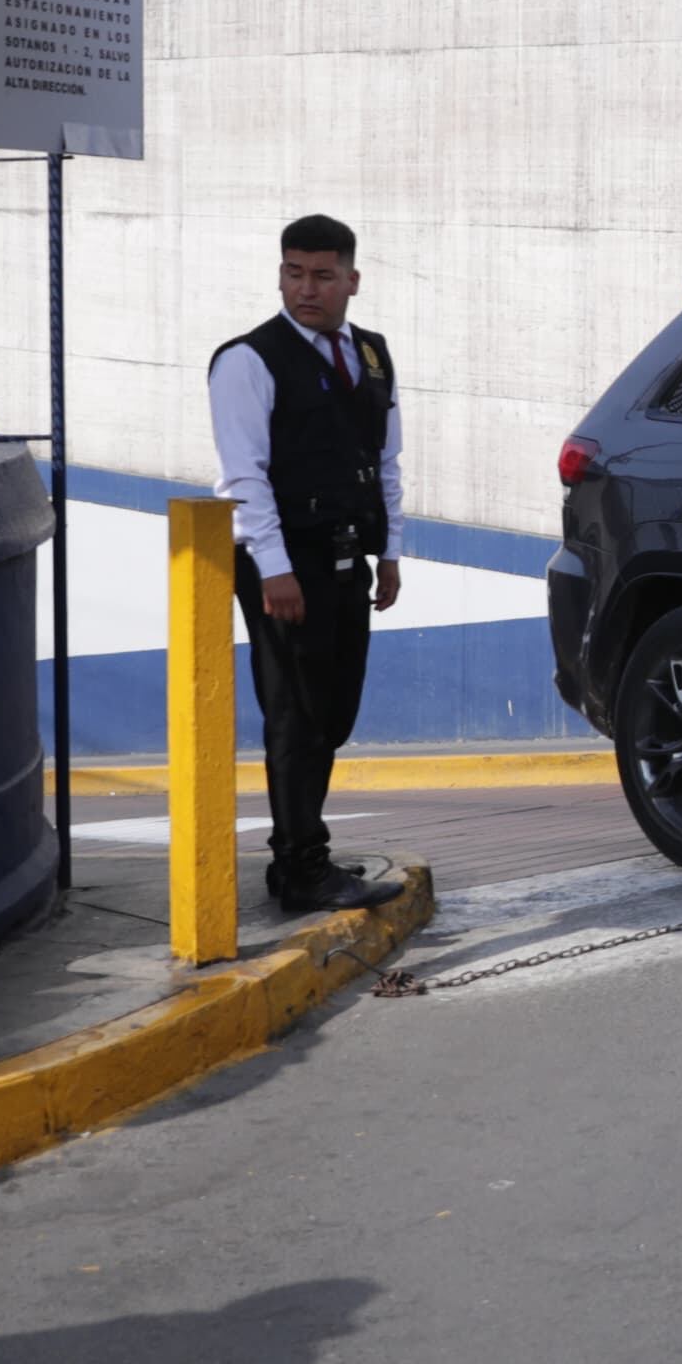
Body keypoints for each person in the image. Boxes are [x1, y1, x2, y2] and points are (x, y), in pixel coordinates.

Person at [209, 213, 404, 914]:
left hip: (351, 555)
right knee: (294, 710)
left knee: (334, 710)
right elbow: (243, 476)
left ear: (352, 279)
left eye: (322, 275)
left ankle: (302, 853)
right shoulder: (248, 360)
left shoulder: (373, 355)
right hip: (284, 559)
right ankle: (300, 865)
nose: (306, 289)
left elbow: (385, 459)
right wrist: (273, 567)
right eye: (294, 272)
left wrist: (392, 552)